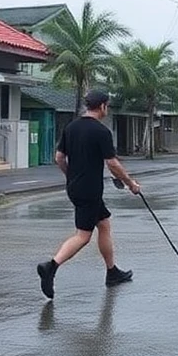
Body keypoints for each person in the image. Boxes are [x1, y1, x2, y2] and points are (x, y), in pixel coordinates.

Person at [37, 89, 140, 300]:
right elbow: (112, 163)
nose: (107, 109)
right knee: (83, 236)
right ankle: (51, 266)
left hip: (75, 187)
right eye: (107, 106)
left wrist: (71, 176)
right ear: (102, 106)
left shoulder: (71, 127)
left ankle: (112, 272)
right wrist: (131, 184)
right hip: (90, 190)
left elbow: (59, 158)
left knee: (104, 222)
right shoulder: (101, 132)